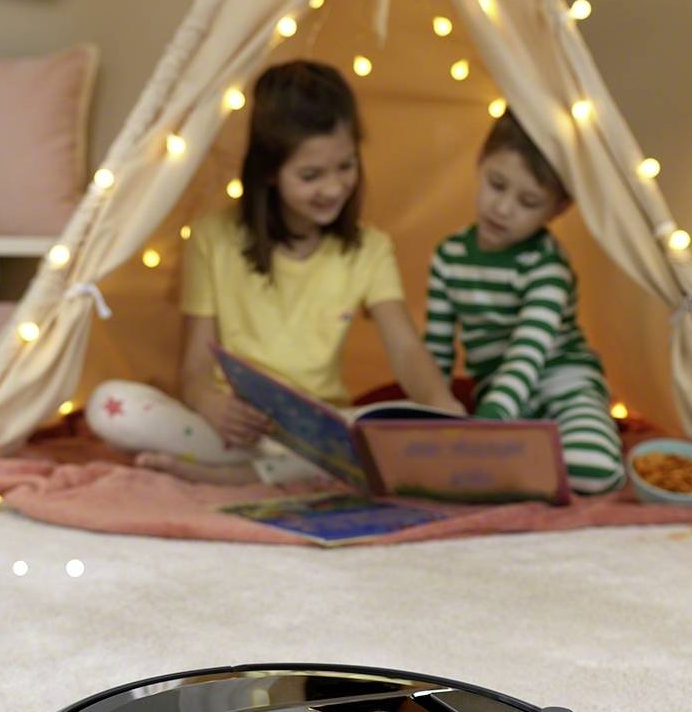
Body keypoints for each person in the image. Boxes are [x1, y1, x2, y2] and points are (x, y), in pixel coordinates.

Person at [87, 61, 459, 484]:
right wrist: (209, 403)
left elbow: (406, 350)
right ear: (269, 174)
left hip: (321, 434)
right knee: (110, 406)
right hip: (235, 430)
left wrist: (443, 410)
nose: (334, 188)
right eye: (311, 175)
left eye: (346, 166)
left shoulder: (370, 249)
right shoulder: (214, 238)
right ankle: (262, 470)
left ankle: (232, 477)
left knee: (380, 435)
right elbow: (192, 369)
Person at [422, 112, 625, 496]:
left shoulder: (547, 265)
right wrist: (433, 414)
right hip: (495, 390)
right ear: (480, 163)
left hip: (562, 382)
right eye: (496, 185)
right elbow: (437, 352)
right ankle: (529, 458)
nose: (502, 208)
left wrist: (492, 419)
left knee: (590, 467)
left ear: (557, 210)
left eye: (528, 201)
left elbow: (528, 352)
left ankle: (569, 439)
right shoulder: (448, 255)